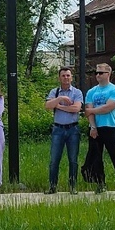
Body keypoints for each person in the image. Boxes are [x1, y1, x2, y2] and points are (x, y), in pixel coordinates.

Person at [82, 63, 115, 193]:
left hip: (110, 127)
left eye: (101, 73)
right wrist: (93, 126)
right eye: (96, 72)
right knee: (96, 157)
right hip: (95, 128)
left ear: (108, 74)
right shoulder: (92, 91)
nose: (98, 75)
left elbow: (108, 107)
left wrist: (92, 110)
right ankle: (100, 184)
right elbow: (88, 111)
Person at [45, 67, 83, 195]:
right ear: (59, 78)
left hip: (73, 129)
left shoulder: (77, 92)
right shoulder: (54, 92)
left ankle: (72, 186)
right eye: (63, 76)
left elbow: (76, 108)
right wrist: (59, 99)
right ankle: (52, 186)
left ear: (72, 77)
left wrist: (59, 106)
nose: (66, 78)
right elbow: (47, 106)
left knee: (73, 159)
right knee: (54, 159)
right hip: (58, 129)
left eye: (68, 75)